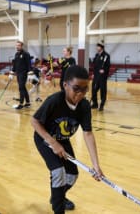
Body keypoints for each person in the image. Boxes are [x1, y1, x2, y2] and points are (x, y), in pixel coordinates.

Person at [32, 65, 103, 214]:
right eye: (77, 88)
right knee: (58, 172)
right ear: (65, 85)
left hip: (62, 140)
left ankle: (58, 196)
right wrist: (52, 142)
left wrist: (96, 165)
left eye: (85, 89)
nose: (81, 93)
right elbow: (34, 121)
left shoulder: (84, 106)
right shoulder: (54, 101)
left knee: (72, 175)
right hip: (44, 138)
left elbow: (88, 133)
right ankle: (58, 208)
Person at [10, 40, 32, 109]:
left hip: (24, 73)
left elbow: (29, 64)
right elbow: (15, 64)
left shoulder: (26, 54)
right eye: (16, 45)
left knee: (21, 88)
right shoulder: (16, 54)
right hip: (18, 73)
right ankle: (28, 103)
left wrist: (30, 73)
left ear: (22, 46)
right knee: (23, 88)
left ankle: (21, 104)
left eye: (19, 45)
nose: (17, 46)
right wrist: (12, 72)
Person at [91, 41, 110, 111]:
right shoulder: (96, 55)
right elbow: (94, 66)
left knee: (103, 91)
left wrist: (104, 70)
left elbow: (108, 66)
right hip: (96, 76)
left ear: (101, 47)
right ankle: (95, 104)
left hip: (102, 77)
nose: (97, 48)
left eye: (98, 46)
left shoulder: (106, 55)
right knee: (93, 90)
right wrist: (93, 73)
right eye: (97, 46)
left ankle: (102, 105)